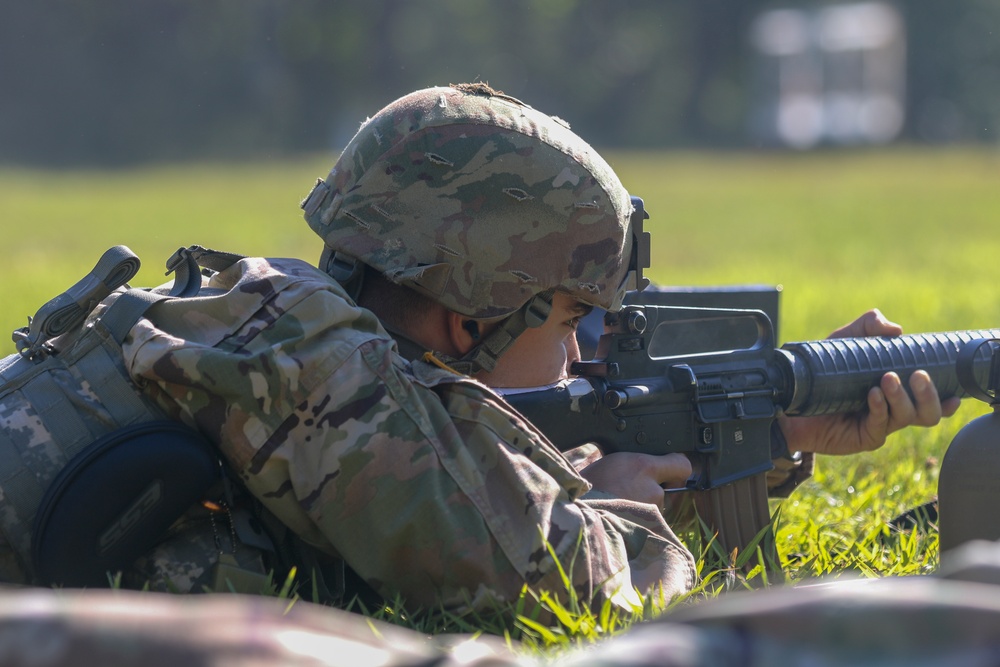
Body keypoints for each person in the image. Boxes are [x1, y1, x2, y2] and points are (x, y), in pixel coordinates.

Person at [121, 83, 957, 610]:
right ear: (471, 322)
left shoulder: (305, 339)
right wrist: (621, 504)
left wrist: (783, 429)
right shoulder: (339, 392)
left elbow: (481, 487)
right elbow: (573, 586)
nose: (578, 357)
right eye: (567, 322)